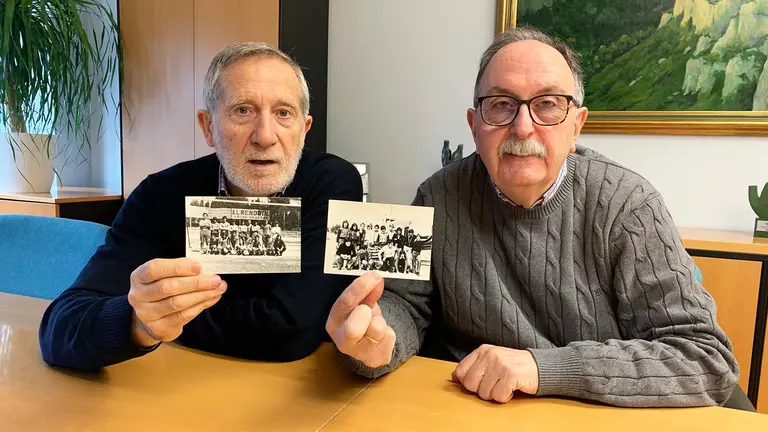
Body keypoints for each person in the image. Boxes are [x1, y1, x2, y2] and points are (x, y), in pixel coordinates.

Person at [326, 27, 738, 408]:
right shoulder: (435, 194)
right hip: (470, 410)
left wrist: (543, 368)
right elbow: (404, 306)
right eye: (501, 105)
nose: (522, 127)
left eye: (548, 105)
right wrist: (374, 338)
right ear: (474, 126)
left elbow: (705, 358)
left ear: (576, 126)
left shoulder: (630, 205)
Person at [39, 42, 363, 369]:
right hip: (182, 382)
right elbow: (61, 328)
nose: (265, 136)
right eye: (243, 110)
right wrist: (138, 322)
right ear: (208, 127)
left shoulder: (332, 183)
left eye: (283, 113)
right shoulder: (161, 194)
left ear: (304, 131)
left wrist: (177, 322)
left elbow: (291, 330)